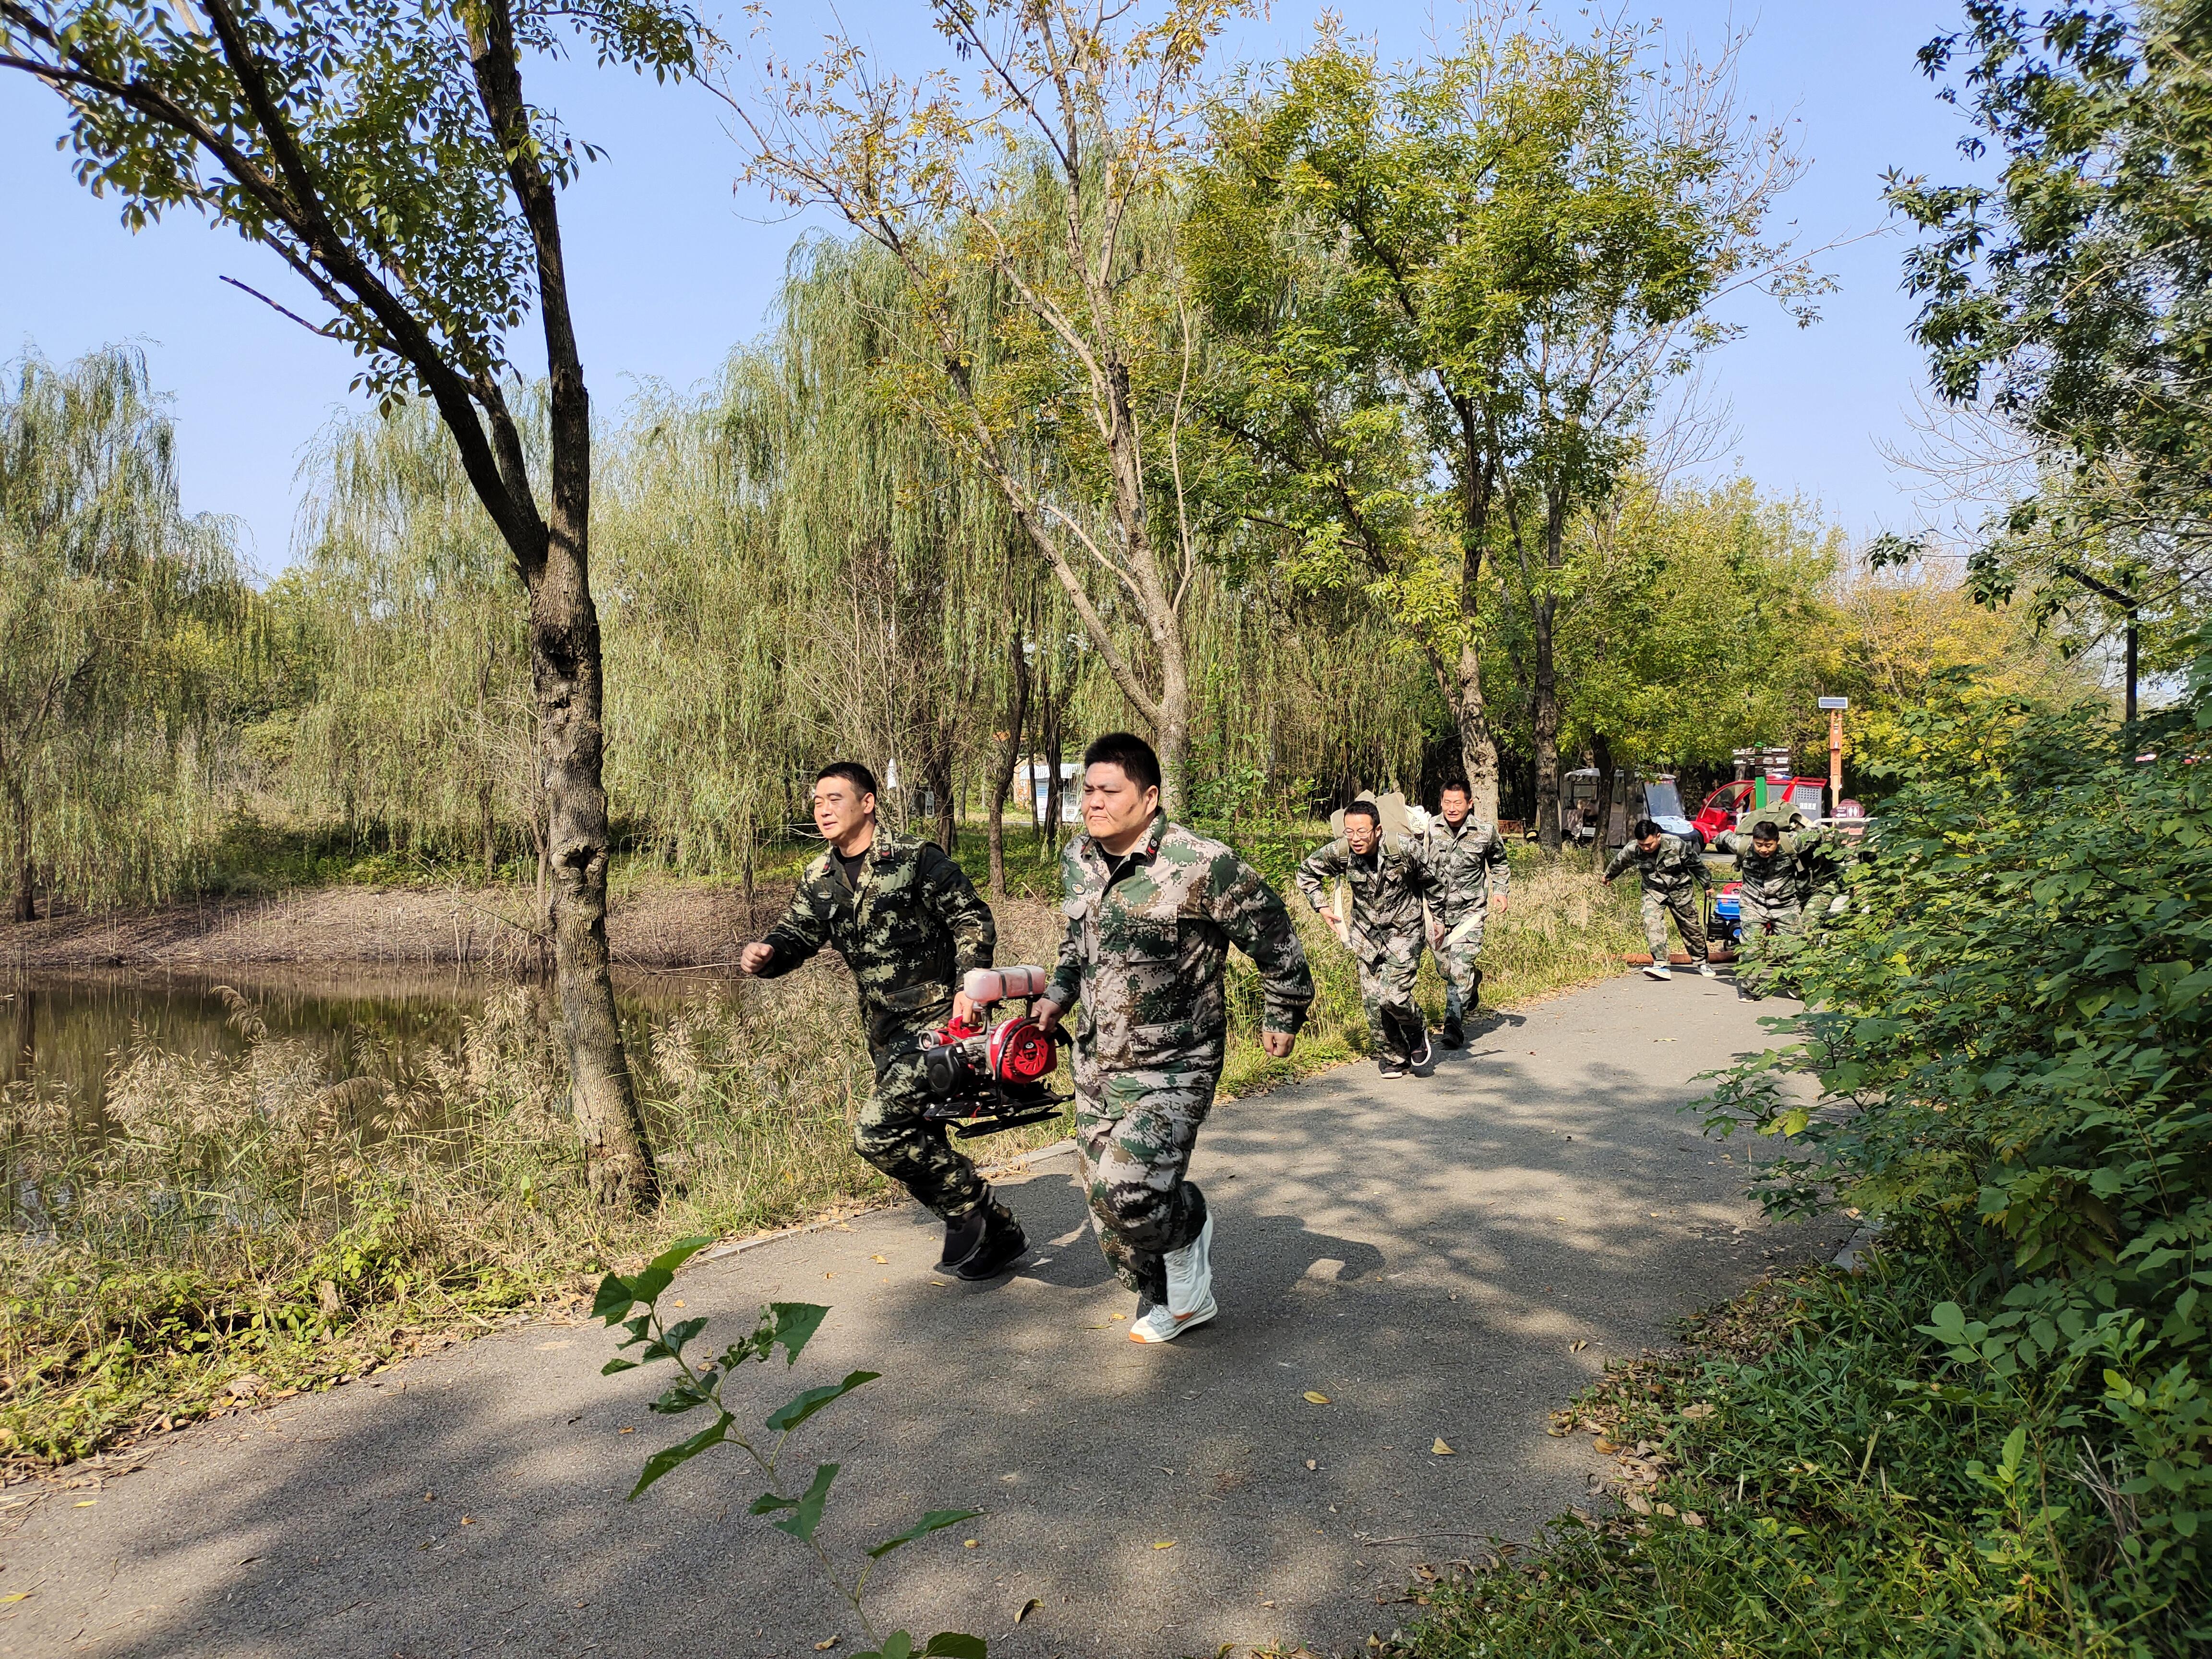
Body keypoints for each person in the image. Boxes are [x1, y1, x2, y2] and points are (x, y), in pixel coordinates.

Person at [1031, 733, 1311, 1345]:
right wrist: (1056, 995)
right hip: (1096, 1063)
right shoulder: (1078, 857)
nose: (1094, 803)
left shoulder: (1202, 865)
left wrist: (1282, 1013)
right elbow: (1078, 945)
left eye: (1110, 791)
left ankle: (1189, 1229)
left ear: (1149, 797)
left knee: (1126, 1192)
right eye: (1089, 790)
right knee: (1107, 1215)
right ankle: (1176, 1301)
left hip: (1176, 1064)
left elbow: (1276, 940)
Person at [739, 761, 1028, 1281]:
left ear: (867, 802)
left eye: (834, 798)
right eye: (817, 801)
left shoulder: (915, 859)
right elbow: (796, 936)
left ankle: (976, 1209)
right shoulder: (819, 878)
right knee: (920, 1131)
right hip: (884, 1032)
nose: (822, 809)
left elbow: (970, 917)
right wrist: (768, 953)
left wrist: (970, 984)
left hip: (940, 1023)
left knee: (877, 1132)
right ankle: (990, 1231)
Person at [1296, 800, 1439, 1078]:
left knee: (1394, 997)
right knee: (1374, 1002)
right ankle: (1394, 1057)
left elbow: (1433, 882)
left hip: (1404, 931)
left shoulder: (1403, 849)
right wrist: (1322, 907)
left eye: (1362, 832)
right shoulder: (1341, 852)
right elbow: (1306, 873)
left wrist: (1440, 920)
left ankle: (1416, 1029)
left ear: (1378, 830)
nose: (1356, 839)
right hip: (1366, 935)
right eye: (1350, 832)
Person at [1421, 778, 1511, 1048]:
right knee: (1445, 968)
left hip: (1470, 913)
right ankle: (1472, 984)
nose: (1451, 808)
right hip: (1435, 913)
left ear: (1469, 804)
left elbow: (1500, 862)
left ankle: (1453, 1025)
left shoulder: (1485, 832)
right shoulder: (1429, 829)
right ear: (1441, 803)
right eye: (1447, 802)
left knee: (1459, 969)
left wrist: (1500, 891)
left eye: (1457, 803)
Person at [1710, 817, 1813, 998]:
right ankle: (1750, 988)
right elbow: (1723, 836)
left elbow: (1818, 834)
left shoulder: (1792, 842)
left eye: (1768, 845)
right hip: (1753, 903)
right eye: (1759, 845)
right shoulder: (1741, 845)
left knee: (1793, 948)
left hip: (1786, 904)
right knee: (1751, 948)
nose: (1763, 849)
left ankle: (1793, 982)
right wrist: (1715, 839)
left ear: (1777, 841)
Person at [1602, 818, 1716, 981]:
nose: (1646, 848)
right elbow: (1619, 863)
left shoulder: (1676, 845)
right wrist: (1608, 876)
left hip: (1680, 891)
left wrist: (1707, 885)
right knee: (1652, 922)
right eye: (1642, 845)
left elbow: (1696, 864)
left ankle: (1702, 962)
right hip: (1653, 892)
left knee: (1691, 927)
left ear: (1658, 836)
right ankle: (1660, 964)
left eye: (1649, 844)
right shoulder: (1633, 849)